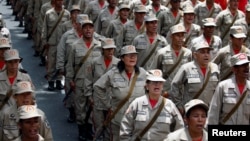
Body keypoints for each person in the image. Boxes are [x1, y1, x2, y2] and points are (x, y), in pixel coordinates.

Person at [93, 45, 147, 140]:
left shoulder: (143, 73)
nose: (132, 58)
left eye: (134, 55)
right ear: (122, 58)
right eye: (129, 55)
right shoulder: (114, 73)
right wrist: (108, 105)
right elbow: (98, 86)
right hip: (118, 120)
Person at [120, 69, 184, 141]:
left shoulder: (170, 105)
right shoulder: (137, 103)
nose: (157, 85)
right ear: (147, 86)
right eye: (154, 82)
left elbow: (180, 129)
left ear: (163, 86)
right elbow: (125, 128)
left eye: (160, 82)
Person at [65, 18, 102, 141]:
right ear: (81, 29)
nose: (88, 30)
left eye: (90, 27)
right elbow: (70, 65)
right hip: (80, 82)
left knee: (93, 108)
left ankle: (89, 130)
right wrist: (70, 80)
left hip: (94, 83)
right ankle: (81, 131)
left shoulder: (99, 46)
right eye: (85, 27)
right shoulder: (75, 46)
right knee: (80, 108)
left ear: (93, 29)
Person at [170, 41, 219, 116]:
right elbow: (175, 85)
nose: (206, 55)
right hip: (190, 110)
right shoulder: (186, 68)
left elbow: (218, 88)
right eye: (202, 52)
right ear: (195, 55)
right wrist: (178, 105)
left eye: (208, 52)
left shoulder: (214, 68)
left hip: (209, 111)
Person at [85, 38, 120, 141]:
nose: (110, 51)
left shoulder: (119, 64)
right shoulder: (94, 62)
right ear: (102, 50)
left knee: (110, 127)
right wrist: (89, 97)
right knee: (98, 126)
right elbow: (88, 79)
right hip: (98, 99)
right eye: (107, 49)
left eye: (112, 49)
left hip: (112, 99)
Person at [207, 53, 250, 125]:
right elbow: (214, 112)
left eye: (247, 65)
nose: (246, 68)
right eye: (242, 66)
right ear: (234, 69)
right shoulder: (223, 86)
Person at [153, 24, 192, 95]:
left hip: (182, 93)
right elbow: (154, 72)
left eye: (182, 35)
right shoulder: (162, 53)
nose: (180, 38)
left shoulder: (188, 53)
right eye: (178, 35)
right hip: (166, 92)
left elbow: (190, 74)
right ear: (171, 36)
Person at [41, 0, 70, 91]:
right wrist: (44, 41)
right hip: (52, 43)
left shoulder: (66, 14)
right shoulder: (49, 13)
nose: (60, 2)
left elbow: (68, 29)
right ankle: (50, 82)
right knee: (51, 62)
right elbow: (44, 28)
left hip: (62, 43)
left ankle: (59, 81)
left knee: (60, 62)